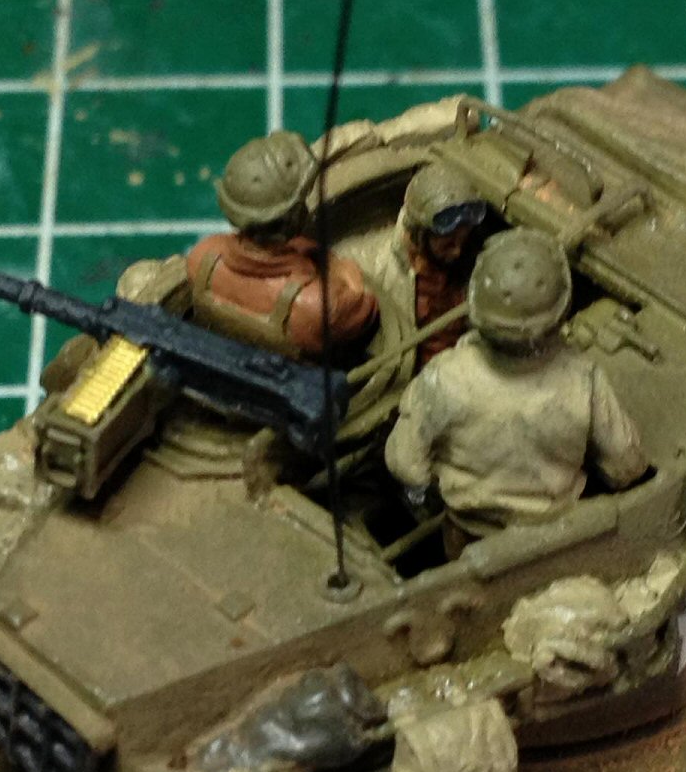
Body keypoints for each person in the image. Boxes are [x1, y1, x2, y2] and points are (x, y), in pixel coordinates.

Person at [385, 228, 648, 556]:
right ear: (561, 312)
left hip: (468, 533)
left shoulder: (442, 378)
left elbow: (404, 463)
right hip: (553, 535)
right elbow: (626, 465)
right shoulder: (584, 378)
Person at [186, 130, 377, 358]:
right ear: (293, 217)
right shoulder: (319, 306)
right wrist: (339, 268)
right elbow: (366, 303)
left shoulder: (202, 257)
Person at [392, 162, 488, 367]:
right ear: (419, 237)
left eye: (463, 241)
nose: (458, 251)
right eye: (448, 244)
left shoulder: (468, 262)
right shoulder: (383, 272)